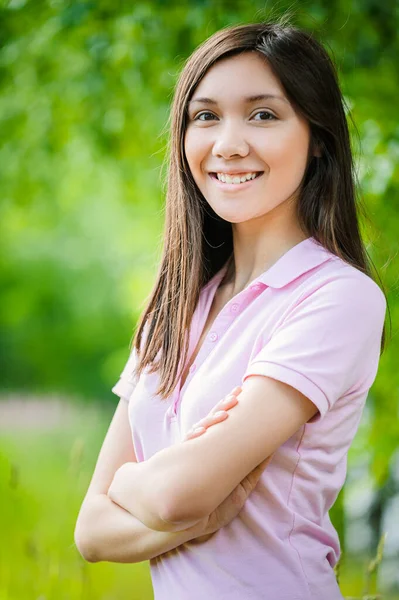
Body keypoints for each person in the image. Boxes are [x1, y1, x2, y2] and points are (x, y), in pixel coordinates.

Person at [74, 19, 388, 600]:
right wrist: (196, 517)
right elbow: (91, 533)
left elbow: (175, 496)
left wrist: (137, 485)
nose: (229, 143)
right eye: (206, 115)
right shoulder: (175, 306)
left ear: (318, 136)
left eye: (263, 114)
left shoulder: (337, 298)